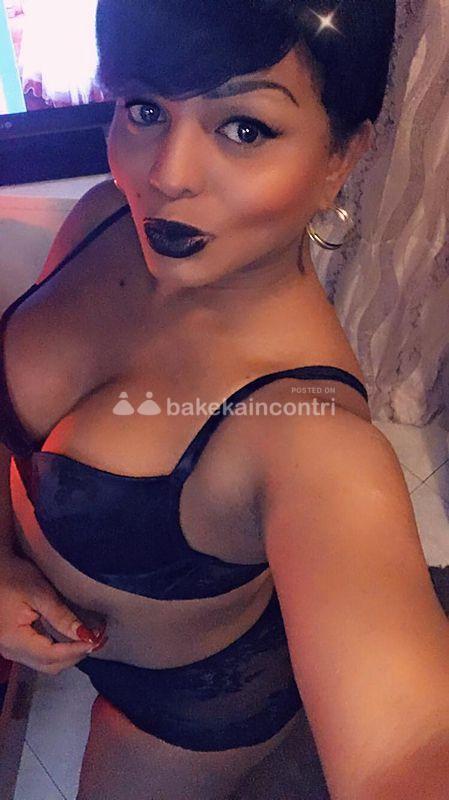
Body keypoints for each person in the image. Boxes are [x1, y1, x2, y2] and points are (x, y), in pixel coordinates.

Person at [1, 1, 449, 798]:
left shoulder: (311, 439)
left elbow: (410, 742)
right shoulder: (106, 216)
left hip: (187, 703)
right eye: (145, 107)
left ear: (342, 157)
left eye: (244, 128)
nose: (165, 174)